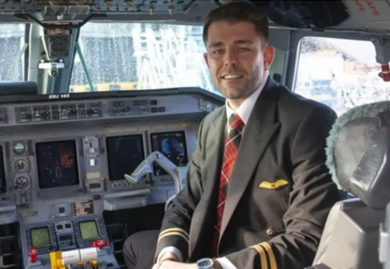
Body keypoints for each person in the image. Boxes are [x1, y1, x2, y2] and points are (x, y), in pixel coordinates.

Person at [123, 2, 342, 269]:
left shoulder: (309, 121)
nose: (229, 60)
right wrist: (169, 256)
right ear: (208, 60)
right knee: (134, 243)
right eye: (218, 50)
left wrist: (211, 268)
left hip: (247, 262)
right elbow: (185, 203)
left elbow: (308, 238)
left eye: (243, 48)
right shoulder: (211, 124)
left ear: (268, 56)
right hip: (200, 253)